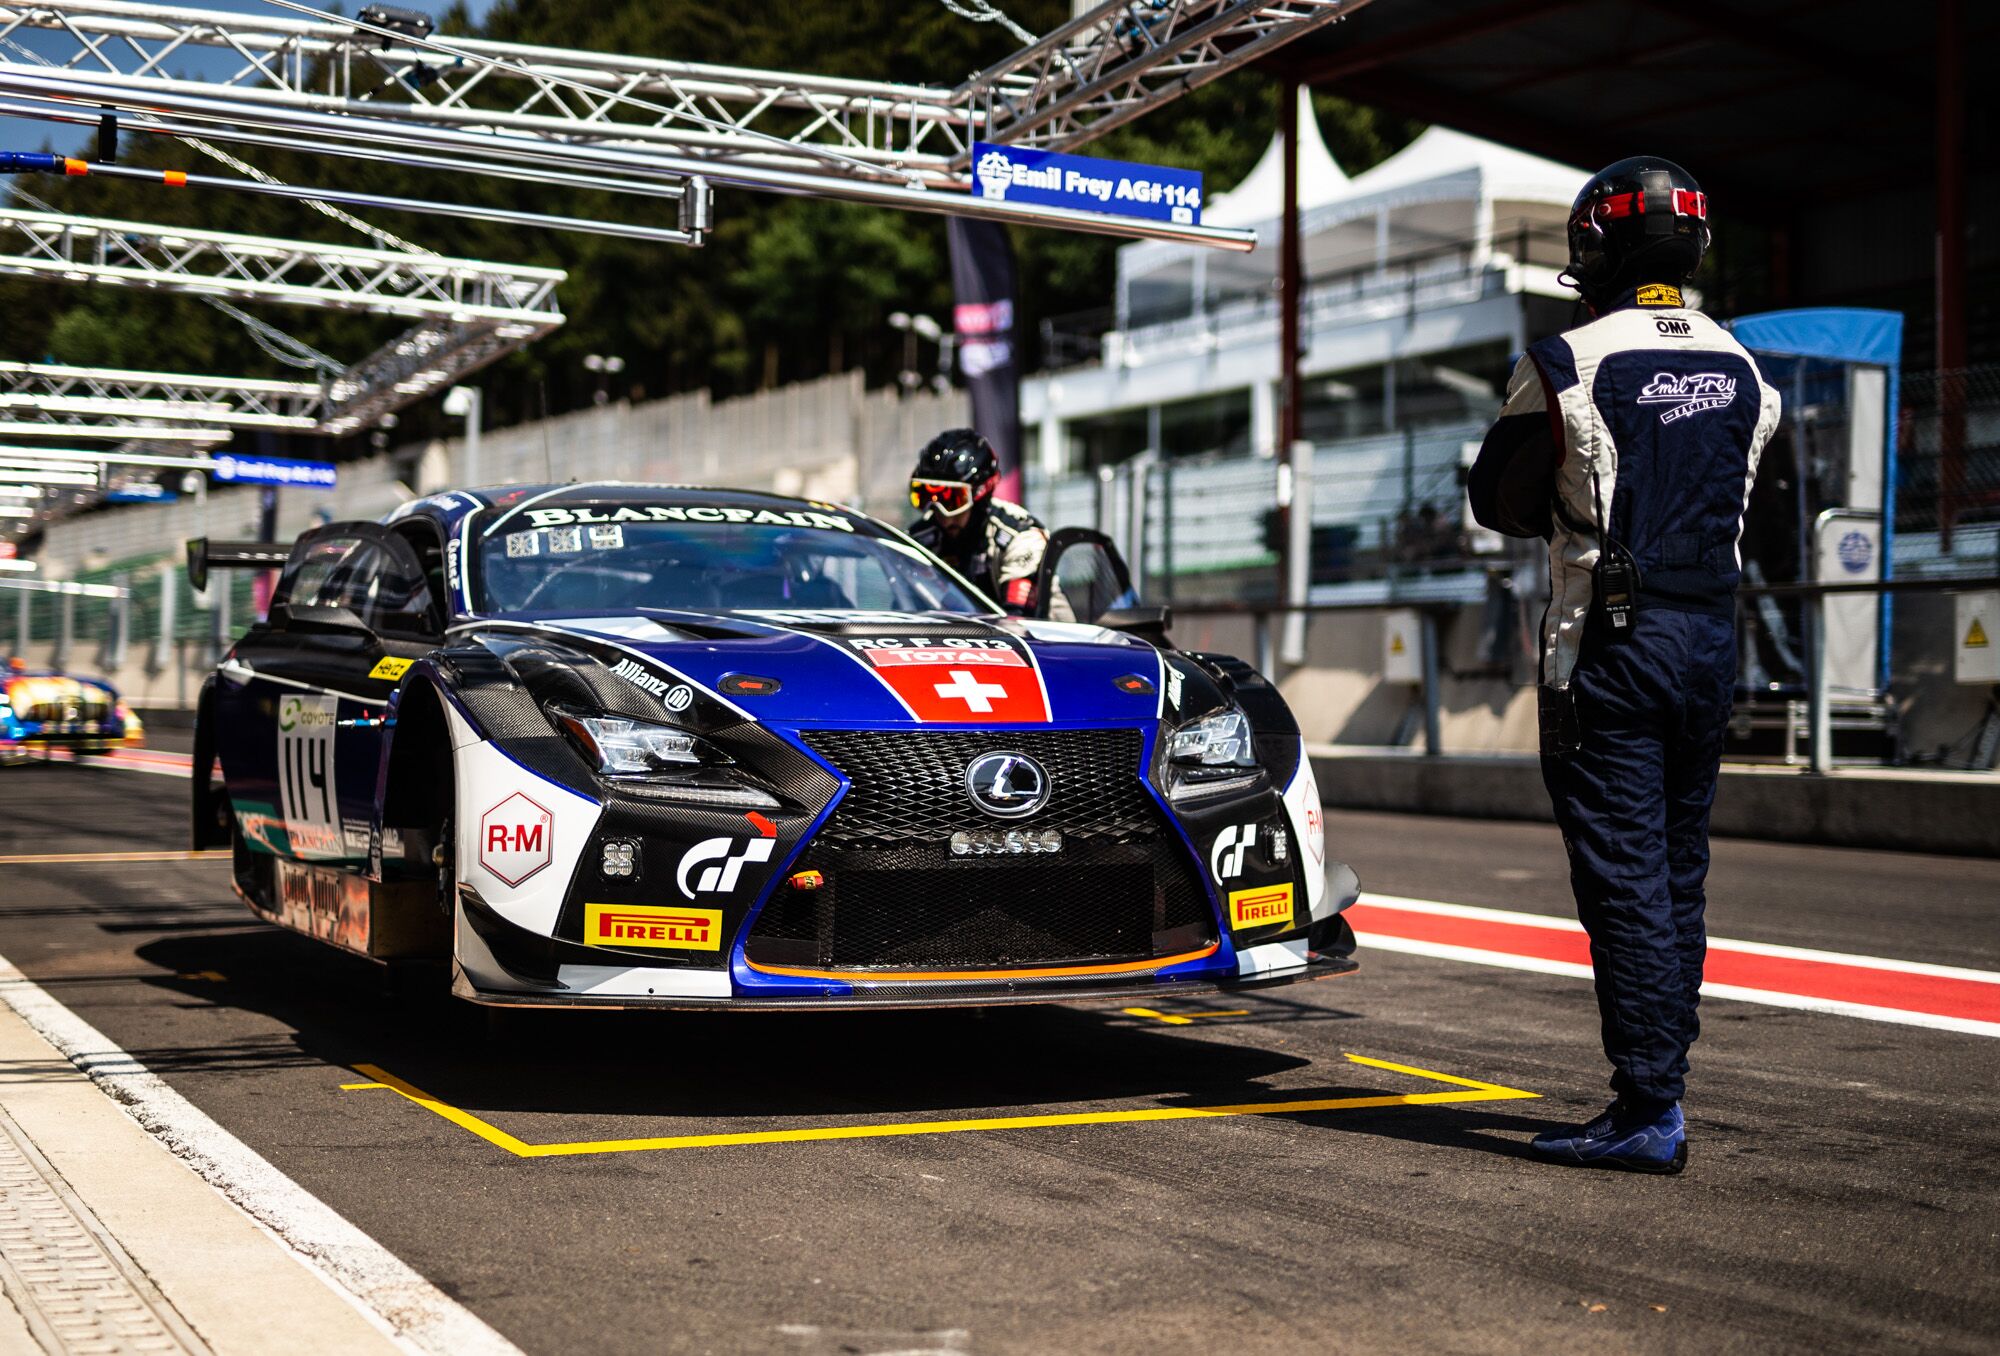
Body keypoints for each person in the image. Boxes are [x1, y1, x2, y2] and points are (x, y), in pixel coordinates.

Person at [1468, 156, 1782, 1174]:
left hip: (1606, 648)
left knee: (1622, 879)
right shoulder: (1744, 369)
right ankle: (1662, 1083)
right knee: (1678, 872)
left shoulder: (1565, 359)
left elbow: (1496, 497)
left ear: (1589, 246)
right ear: (1689, 247)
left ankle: (1648, 1105)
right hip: (1707, 643)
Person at [907, 428, 1049, 614]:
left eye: (952, 499)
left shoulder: (1020, 537)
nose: (940, 513)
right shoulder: (919, 539)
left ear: (981, 493)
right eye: (926, 496)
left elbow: (1019, 621)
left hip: (1042, 639)